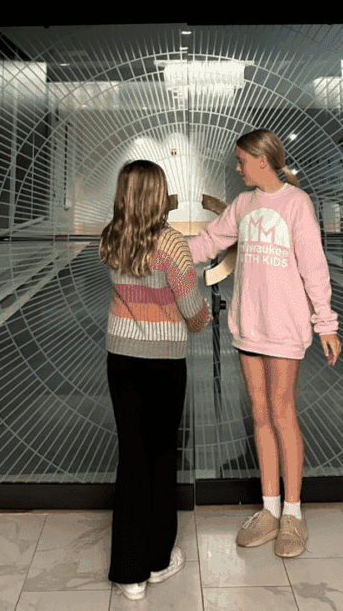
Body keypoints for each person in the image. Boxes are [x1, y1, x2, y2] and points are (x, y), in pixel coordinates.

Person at [188, 129, 342, 559]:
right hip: (249, 326)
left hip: (285, 327)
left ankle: (293, 514)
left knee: (282, 411)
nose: (237, 169)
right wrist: (164, 251)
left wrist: (325, 322)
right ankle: (269, 509)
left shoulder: (296, 202)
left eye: (241, 161)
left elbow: (314, 266)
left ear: (262, 159)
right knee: (258, 414)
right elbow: (207, 243)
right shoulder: (242, 205)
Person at [100, 159, 212, 600]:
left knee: (132, 455)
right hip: (162, 361)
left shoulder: (112, 237)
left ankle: (129, 574)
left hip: (121, 358)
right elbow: (191, 308)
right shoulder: (172, 244)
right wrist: (203, 319)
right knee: (162, 454)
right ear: (157, 193)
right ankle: (158, 560)